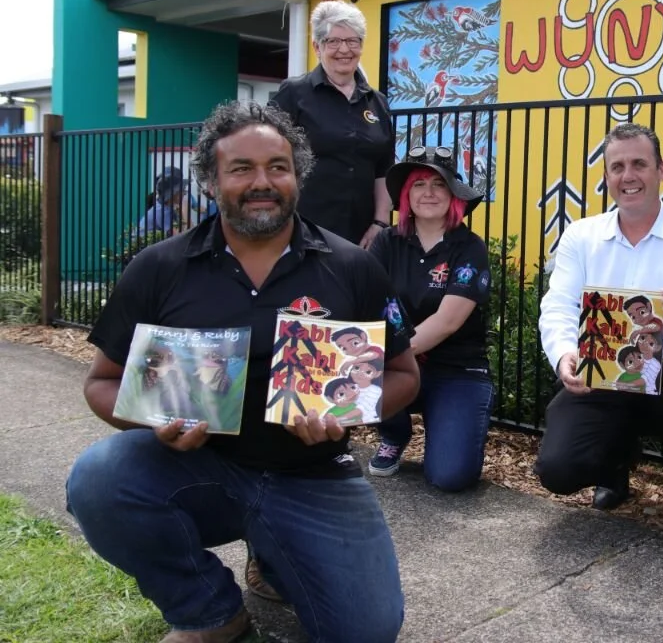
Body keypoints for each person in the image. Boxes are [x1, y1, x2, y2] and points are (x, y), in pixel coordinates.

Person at [65, 102, 421, 643]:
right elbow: (101, 382)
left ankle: (277, 553)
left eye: (277, 166)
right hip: (200, 469)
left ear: (297, 176)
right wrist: (151, 420)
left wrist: (348, 409)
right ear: (211, 180)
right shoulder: (160, 268)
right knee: (99, 478)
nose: (262, 182)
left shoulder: (351, 266)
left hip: (314, 473)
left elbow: (403, 373)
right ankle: (211, 614)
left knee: (367, 632)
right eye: (241, 169)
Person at [535, 122, 663, 569]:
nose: (628, 176)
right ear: (606, 177)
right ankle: (615, 468)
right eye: (617, 167)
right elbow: (558, 306)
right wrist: (565, 354)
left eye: (639, 164)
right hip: (605, 378)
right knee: (557, 470)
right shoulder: (581, 236)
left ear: (661, 170)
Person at [366, 145, 494, 492]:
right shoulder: (386, 243)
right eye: (419, 184)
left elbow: (448, 321)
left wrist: (391, 353)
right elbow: (367, 304)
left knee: (450, 477)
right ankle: (394, 432)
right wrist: (382, 358)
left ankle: (448, 423)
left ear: (454, 194)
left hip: (457, 370)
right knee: (362, 360)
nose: (428, 192)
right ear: (406, 195)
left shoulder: (469, 247)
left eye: (439, 184)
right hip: (397, 365)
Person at [270, 0, 394, 248]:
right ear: (317, 46)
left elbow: (383, 169)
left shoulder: (377, 102)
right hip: (303, 231)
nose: (344, 49)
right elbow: (268, 157)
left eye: (352, 41)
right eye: (333, 41)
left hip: (362, 237)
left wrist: (380, 223)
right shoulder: (294, 93)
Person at [135, 166, 187, 236]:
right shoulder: (163, 211)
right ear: (173, 193)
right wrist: (184, 210)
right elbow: (180, 236)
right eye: (182, 190)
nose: (185, 193)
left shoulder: (167, 207)